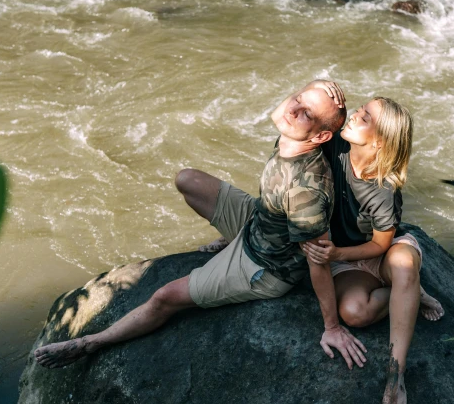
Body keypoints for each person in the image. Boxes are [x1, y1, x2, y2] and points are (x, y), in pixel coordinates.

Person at [34, 81, 368, 369]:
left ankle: (91, 343)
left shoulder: (306, 189)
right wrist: (321, 89)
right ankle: (231, 237)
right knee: (188, 180)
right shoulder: (292, 135)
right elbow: (295, 110)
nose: (293, 110)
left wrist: (332, 326)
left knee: (164, 297)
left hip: (265, 266)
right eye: (298, 98)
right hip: (260, 221)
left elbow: (318, 258)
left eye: (307, 113)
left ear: (322, 134)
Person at [300, 84, 445, 404]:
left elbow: (381, 246)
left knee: (404, 264)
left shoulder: (383, 190)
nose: (354, 116)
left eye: (364, 118)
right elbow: (295, 126)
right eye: (360, 110)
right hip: (352, 260)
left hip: (383, 251)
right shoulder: (334, 144)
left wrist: (335, 254)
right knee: (354, 313)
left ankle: (397, 375)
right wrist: (320, 88)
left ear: (379, 142)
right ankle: (407, 294)